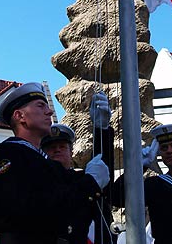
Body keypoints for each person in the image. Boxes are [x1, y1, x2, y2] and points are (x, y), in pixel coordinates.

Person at [0, 82, 109, 244]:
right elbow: (33, 206)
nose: (49, 111)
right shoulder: (9, 153)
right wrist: (91, 182)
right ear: (20, 116)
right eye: (40, 106)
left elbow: (99, 172)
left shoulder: (46, 164)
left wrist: (101, 129)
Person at [40, 91, 116, 244]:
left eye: (62, 146)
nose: (57, 150)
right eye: (51, 147)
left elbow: (102, 167)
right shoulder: (40, 180)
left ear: (71, 151)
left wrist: (102, 130)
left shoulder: (81, 178)